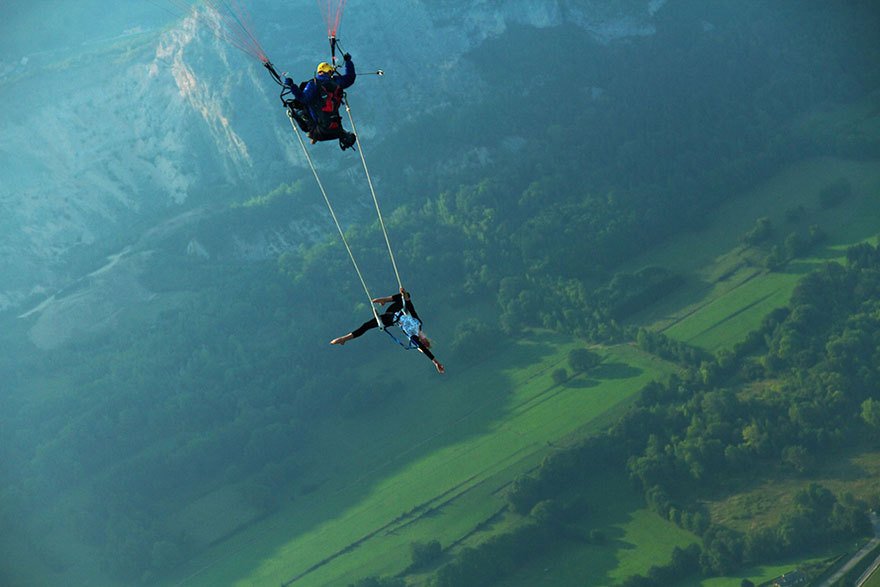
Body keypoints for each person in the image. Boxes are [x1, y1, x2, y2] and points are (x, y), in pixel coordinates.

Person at [330, 287, 445, 374]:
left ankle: (343, 339)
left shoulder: (412, 337)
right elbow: (411, 308)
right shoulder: (419, 323)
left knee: (366, 326)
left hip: (390, 319)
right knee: (406, 296)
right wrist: (406, 297)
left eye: (425, 344)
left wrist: (435, 362)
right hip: (396, 310)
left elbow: (424, 350)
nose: (426, 343)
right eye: (427, 342)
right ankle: (384, 300)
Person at [283, 53, 357, 150]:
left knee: (299, 109)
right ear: (329, 72)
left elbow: (303, 98)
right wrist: (348, 62)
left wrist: (292, 86)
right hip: (336, 129)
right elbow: (350, 78)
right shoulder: (335, 82)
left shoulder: (313, 84)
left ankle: (311, 135)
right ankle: (315, 135)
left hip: (320, 131)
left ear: (319, 72)